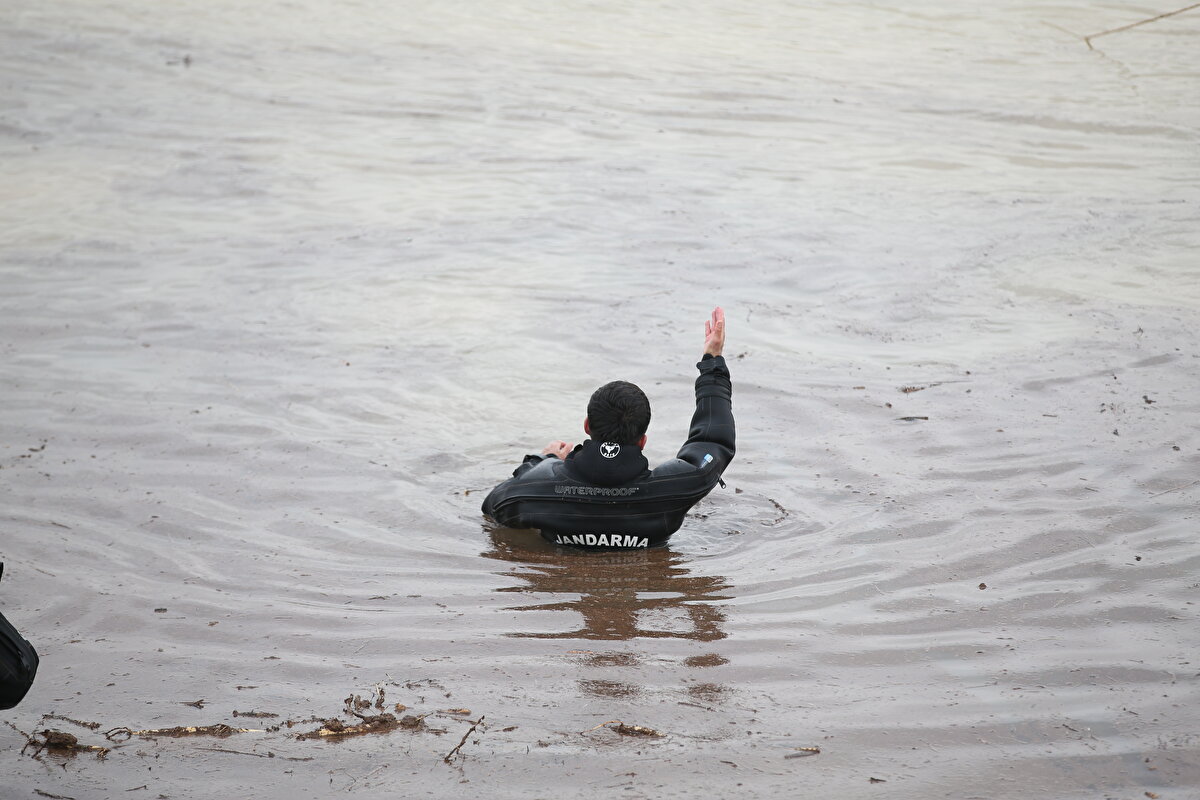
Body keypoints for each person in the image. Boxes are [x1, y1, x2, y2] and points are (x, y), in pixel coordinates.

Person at [482, 307, 735, 549]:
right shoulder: (674, 487)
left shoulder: (538, 487)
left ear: (587, 426)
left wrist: (541, 460)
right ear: (643, 441)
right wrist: (712, 364)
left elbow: (493, 506)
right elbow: (715, 441)